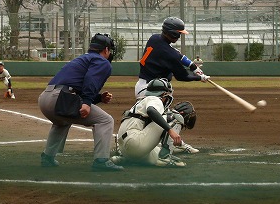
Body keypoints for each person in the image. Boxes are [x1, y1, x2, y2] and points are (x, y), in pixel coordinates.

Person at [38, 33, 123, 172]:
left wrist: (99, 98)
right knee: (105, 121)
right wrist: (87, 103)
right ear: (106, 50)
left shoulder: (82, 58)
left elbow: (77, 87)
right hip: (61, 99)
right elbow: (90, 80)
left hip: (45, 98)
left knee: (63, 121)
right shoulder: (102, 61)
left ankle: (47, 157)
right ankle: (101, 160)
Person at [135, 16, 210, 154]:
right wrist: (199, 78)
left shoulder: (155, 39)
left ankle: (161, 143)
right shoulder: (168, 54)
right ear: (173, 33)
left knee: (151, 120)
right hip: (152, 91)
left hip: (145, 86)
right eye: (179, 34)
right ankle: (170, 146)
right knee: (175, 116)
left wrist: (193, 66)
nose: (180, 36)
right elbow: (182, 76)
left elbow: (179, 56)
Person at [115, 78, 195, 167]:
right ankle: (165, 158)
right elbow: (151, 110)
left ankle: (126, 159)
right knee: (175, 117)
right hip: (135, 143)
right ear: (164, 94)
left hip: (125, 149)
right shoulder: (155, 99)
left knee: (158, 153)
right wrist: (170, 130)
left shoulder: (140, 103)